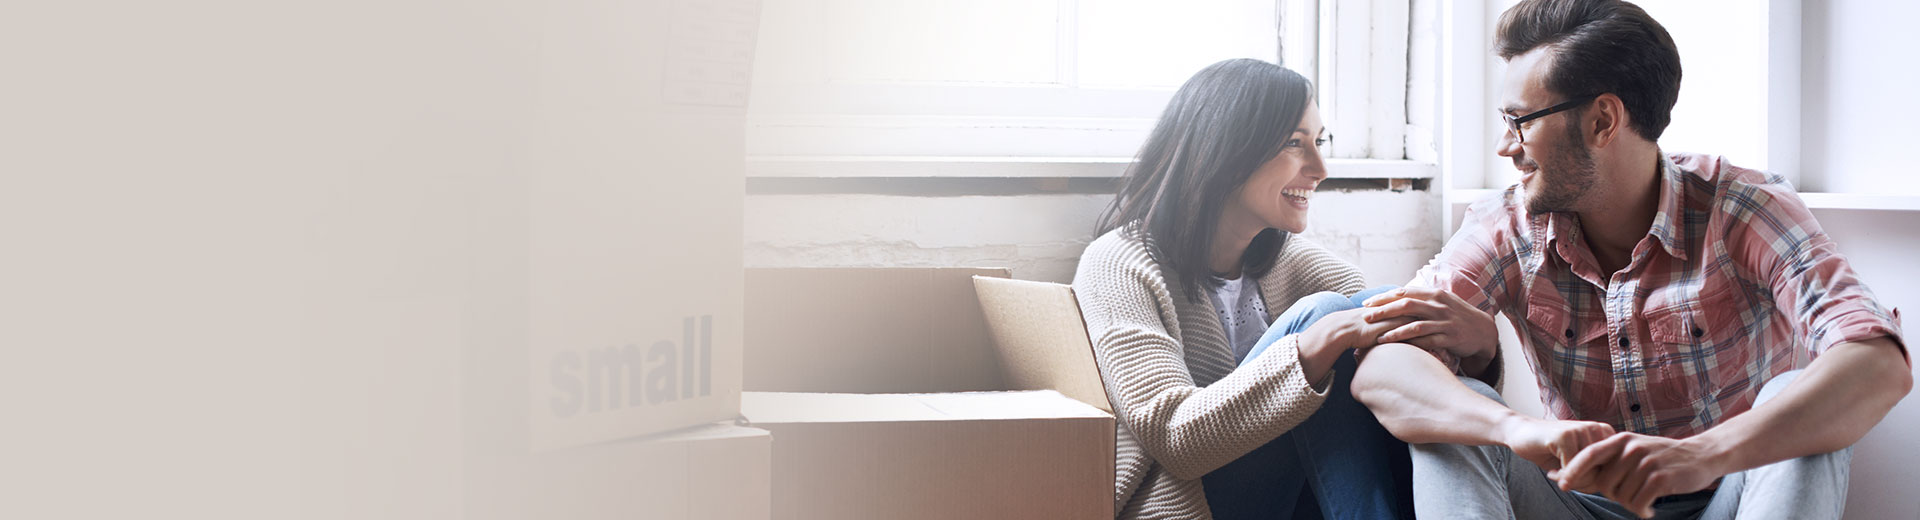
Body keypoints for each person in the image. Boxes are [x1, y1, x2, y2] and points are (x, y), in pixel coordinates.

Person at [1349, 1, 1912, 518]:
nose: (1505, 145)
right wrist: (1511, 427)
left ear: (1602, 121)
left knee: (1797, 403)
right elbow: (1383, 365)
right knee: (1461, 411)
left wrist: (1699, 456)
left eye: (1521, 120)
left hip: (1733, 495)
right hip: (1578, 504)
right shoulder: (1507, 225)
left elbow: (1877, 360)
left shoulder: (1743, 207)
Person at [1072, 58, 1413, 520]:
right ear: (1225, 151)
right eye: (1295, 143)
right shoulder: (1120, 264)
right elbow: (1176, 438)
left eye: (1319, 141)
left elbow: (1389, 372)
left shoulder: (1301, 265)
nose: (1320, 168)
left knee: (1384, 302)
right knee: (1327, 317)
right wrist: (1312, 348)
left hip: (1301, 504)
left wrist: (1475, 354)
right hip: (1196, 506)